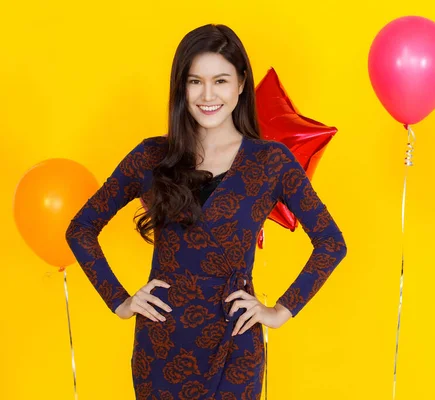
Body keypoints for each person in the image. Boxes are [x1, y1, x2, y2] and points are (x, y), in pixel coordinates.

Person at [65, 23, 347, 399]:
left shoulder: (270, 162)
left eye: (221, 80)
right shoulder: (152, 156)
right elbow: (81, 227)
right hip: (161, 346)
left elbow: (331, 242)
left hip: (236, 343)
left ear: (242, 83)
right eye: (195, 81)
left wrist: (280, 310)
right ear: (181, 87)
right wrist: (120, 301)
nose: (208, 94)